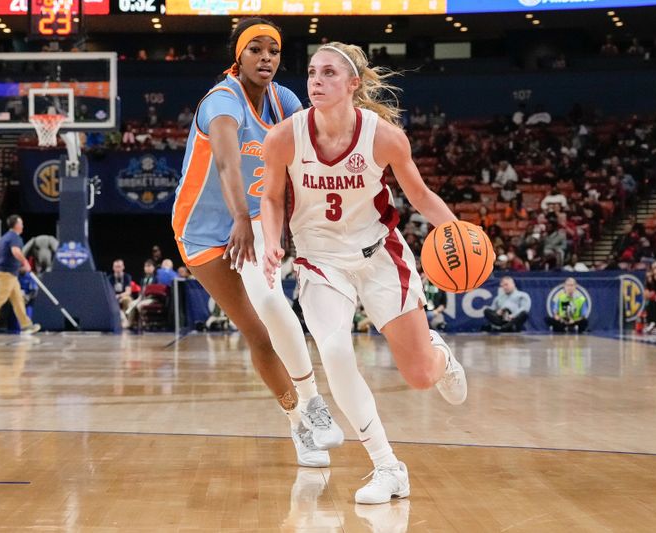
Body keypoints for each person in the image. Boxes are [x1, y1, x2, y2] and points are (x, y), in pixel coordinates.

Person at [261, 41, 467, 505]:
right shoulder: (285, 137)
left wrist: (458, 232)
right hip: (320, 261)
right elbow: (272, 198)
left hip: (380, 257)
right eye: (313, 72)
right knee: (334, 352)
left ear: (353, 83)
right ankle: (388, 466)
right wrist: (272, 241)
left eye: (330, 73)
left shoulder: (384, 136)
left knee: (418, 375)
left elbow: (420, 195)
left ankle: (440, 356)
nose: (317, 80)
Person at [171, 18, 343, 466]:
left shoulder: (283, 101)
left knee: (271, 309)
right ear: (239, 56)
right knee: (255, 333)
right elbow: (228, 165)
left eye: (273, 51)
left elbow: (307, 157)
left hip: (252, 218)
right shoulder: (221, 102)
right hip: (202, 231)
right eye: (256, 50)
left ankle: (312, 403)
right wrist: (239, 220)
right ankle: (297, 423)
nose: (266, 58)